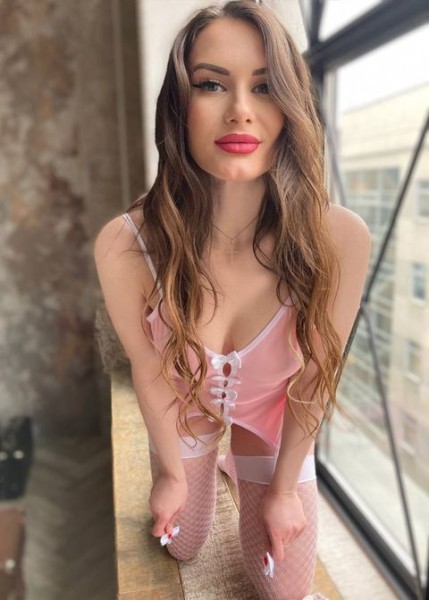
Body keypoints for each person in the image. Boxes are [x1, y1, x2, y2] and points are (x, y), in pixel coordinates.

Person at [94, 1, 371, 598]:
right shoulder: (127, 244)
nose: (241, 110)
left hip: (273, 415)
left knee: (283, 590)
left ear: (292, 107)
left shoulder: (339, 237)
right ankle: (202, 460)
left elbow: (316, 374)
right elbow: (149, 367)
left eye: (265, 87)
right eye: (212, 84)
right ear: (179, 104)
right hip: (185, 406)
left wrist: (283, 490)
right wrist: (170, 474)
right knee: (183, 543)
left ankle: (240, 459)